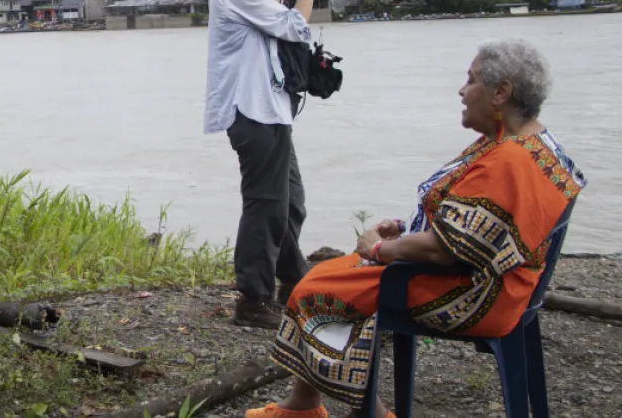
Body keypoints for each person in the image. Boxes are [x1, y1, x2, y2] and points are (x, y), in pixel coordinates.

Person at [245, 39, 586, 418]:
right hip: (508, 282)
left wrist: (378, 249)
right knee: (326, 273)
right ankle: (305, 403)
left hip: (474, 294)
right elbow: (480, 227)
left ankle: (361, 412)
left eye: (471, 80)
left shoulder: (508, 160)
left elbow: (442, 250)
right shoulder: (538, 145)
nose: (461, 90)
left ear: (501, 92)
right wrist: (408, 227)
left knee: (313, 291)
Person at [205, 0, 318, 328]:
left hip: (268, 110)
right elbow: (293, 26)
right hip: (253, 111)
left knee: (290, 202)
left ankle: (294, 281)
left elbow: (264, 24)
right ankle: (253, 299)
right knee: (266, 205)